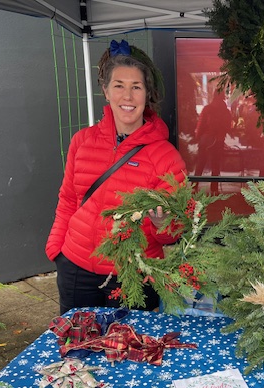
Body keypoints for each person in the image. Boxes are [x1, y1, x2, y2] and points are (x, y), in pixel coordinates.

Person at [46, 39, 187, 315]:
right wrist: (57, 250)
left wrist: (164, 224)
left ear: (147, 94)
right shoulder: (82, 142)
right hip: (76, 269)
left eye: (136, 87)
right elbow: (68, 200)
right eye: (119, 86)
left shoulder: (166, 158)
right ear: (106, 91)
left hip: (133, 277)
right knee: (77, 340)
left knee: (128, 342)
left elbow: (174, 232)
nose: (128, 96)